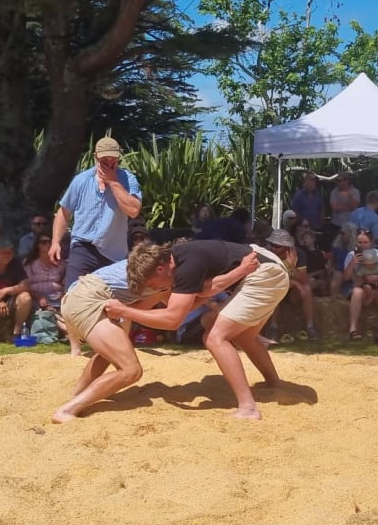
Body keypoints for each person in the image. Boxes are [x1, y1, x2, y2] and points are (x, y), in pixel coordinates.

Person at [53, 245, 263, 423]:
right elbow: (191, 301)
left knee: (110, 354)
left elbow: (173, 305)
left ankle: (76, 397)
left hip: (77, 296)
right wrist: (240, 271)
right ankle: (67, 410)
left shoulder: (155, 275)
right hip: (88, 298)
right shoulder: (157, 273)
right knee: (131, 370)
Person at [106, 231, 297, 421]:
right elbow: (203, 293)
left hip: (263, 273)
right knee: (243, 336)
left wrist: (124, 312)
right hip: (265, 267)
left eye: (152, 284)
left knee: (214, 338)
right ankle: (273, 382)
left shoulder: (186, 266)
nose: (155, 289)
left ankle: (248, 407)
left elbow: (172, 320)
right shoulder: (181, 259)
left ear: (160, 269)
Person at [50, 137, 141, 289]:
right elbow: (64, 212)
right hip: (83, 247)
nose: (109, 163)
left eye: (113, 159)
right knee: (73, 296)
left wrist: (113, 182)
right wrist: (55, 242)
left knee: (111, 300)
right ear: (95, 157)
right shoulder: (81, 180)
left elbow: (133, 211)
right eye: (104, 159)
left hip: (113, 252)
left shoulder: (128, 180)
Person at [343, 229, 378, 340]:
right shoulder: (351, 255)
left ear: (371, 242)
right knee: (357, 292)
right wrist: (353, 263)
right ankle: (353, 329)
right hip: (361, 288)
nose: (363, 245)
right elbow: (345, 278)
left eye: (365, 242)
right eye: (360, 242)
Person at [328, 171, 361, 243]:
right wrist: (349, 207)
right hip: (337, 225)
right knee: (336, 245)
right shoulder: (334, 192)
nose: (338, 183)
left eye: (340, 181)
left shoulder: (355, 191)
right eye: (337, 181)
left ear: (346, 181)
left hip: (351, 225)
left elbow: (355, 207)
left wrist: (349, 196)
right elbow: (334, 207)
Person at [330, 222, 357, 296]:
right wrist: (331, 269)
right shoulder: (337, 246)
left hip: (353, 273)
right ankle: (333, 300)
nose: (341, 235)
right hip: (340, 271)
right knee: (337, 274)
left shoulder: (357, 248)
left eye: (343, 233)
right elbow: (332, 260)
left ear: (350, 234)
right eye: (341, 233)